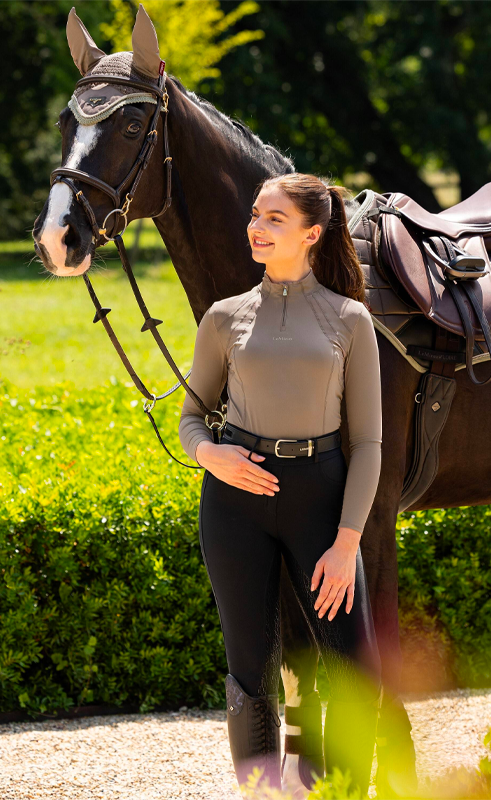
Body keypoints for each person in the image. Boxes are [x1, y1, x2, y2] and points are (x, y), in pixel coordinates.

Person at [177, 172, 383, 796]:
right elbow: (190, 418)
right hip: (234, 504)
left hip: (321, 499)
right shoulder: (223, 318)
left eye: (273, 219)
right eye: (255, 215)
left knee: (349, 665)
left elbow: (369, 441)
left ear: (312, 234)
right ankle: (264, 793)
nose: (255, 227)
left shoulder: (350, 320)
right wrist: (213, 456)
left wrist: (347, 545)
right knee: (249, 669)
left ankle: (337, 789)